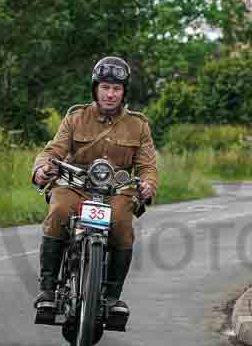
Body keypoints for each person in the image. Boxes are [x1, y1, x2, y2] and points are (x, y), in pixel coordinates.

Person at [31, 56, 158, 322]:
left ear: (124, 92)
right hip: (75, 186)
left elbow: (147, 166)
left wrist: (148, 185)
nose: (110, 94)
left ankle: (112, 297)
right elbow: (53, 150)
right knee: (58, 211)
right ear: (95, 89)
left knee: (123, 224)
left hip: (116, 191)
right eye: (105, 87)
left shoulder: (139, 125)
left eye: (116, 88)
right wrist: (42, 168)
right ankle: (48, 290)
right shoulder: (75, 118)